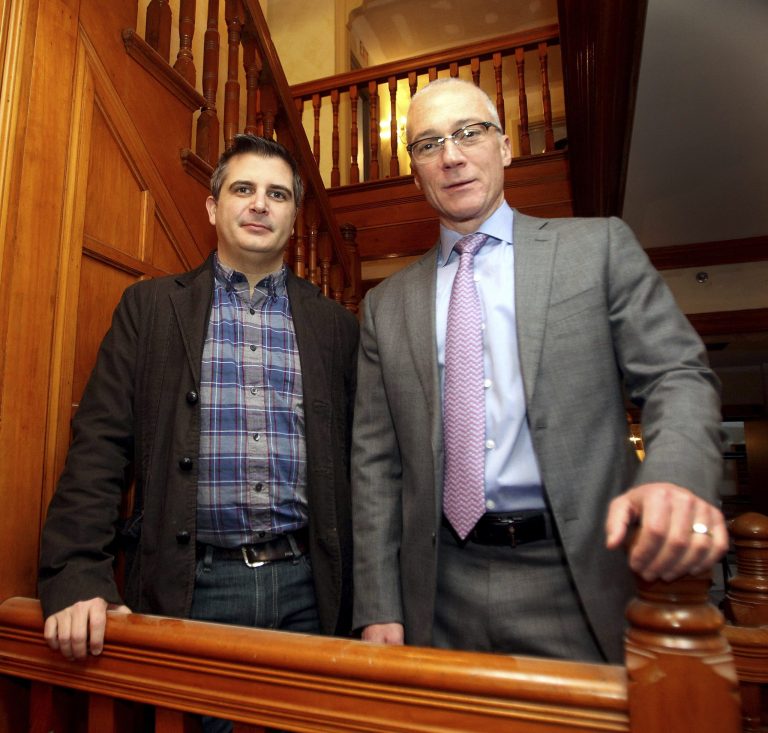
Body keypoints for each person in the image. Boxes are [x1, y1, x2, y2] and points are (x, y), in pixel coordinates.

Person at [351, 78, 727, 663]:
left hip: (580, 576)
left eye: (469, 133)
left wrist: (676, 476)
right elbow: (376, 461)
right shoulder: (384, 305)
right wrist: (378, 603)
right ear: (415, 174)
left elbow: (676, 375)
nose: (451, 156)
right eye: (428, 144)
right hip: (438, 589)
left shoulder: (597, 248)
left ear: (504, 148)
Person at [39, 135, 358, 665]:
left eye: (278, 194)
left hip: (311, 592)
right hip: (190, 589)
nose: (260, 204)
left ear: (293, 216)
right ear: (213, 207)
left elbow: (363, 469)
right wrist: (76, 573)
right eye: (243, 189)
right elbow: (100, 446)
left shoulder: (336, 327)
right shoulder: (149, 309)